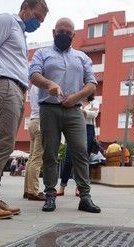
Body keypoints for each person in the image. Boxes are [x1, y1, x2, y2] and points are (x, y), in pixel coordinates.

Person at [0, 0, 48, 219]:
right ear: (25, 8)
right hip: (5, 86)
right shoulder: (6, 20)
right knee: (2, 145)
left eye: (42, 22)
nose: (38, 23)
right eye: (37, 17)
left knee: (5, 145)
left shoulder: (21, 35)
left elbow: (1, 61)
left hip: (10, 87)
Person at [30, 17, 101, 214]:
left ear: (73, 35)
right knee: (50, 153)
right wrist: (49, 84)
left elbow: (92, 84)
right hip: (49, 109)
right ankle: (50, 196)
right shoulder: (41, 53)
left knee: (80, 151)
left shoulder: (82, 57)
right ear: (53, 32)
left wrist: (76, 97)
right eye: (60, 32)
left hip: (74, 110)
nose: (64, 35)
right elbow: (34, 75)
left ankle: (85, 197)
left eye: (68, 33)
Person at [57, 95, 99, 196]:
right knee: (68, 158)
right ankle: (62, 187)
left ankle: (79, 187)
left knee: (83, 159)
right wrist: (85, 113)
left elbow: (94, 114)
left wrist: (83, 112)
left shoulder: (95, 102)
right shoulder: (76, 101)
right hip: (74, 127)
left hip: (89, 129)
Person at [23, 84, 46, 201]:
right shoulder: (42, 86)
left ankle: (27, 190)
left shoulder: (33, 87)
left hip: (32, 121)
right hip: (40, 122)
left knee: (31, 158)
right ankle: (34, 191)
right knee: (37, 159)